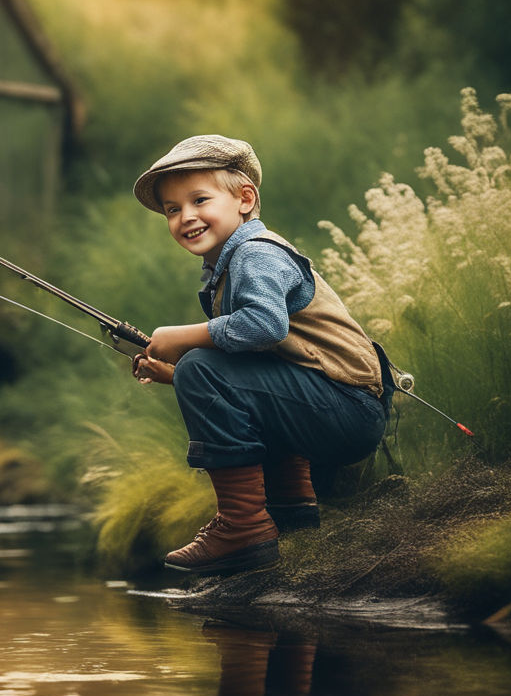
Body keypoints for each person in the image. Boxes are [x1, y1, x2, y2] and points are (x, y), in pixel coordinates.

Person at [131, 134, 389, 574]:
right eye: (173, 209)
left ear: (245, 199)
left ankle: (242, 527)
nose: (185, 217)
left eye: (199, 200)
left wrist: (181, 338)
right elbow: (258, 370)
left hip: (348, 410)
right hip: (338, 409)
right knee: (199, 370)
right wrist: (178, 376)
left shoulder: (255, 254)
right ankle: (292, 512)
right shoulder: (227, 265)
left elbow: (264, 327)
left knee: (199, 363)